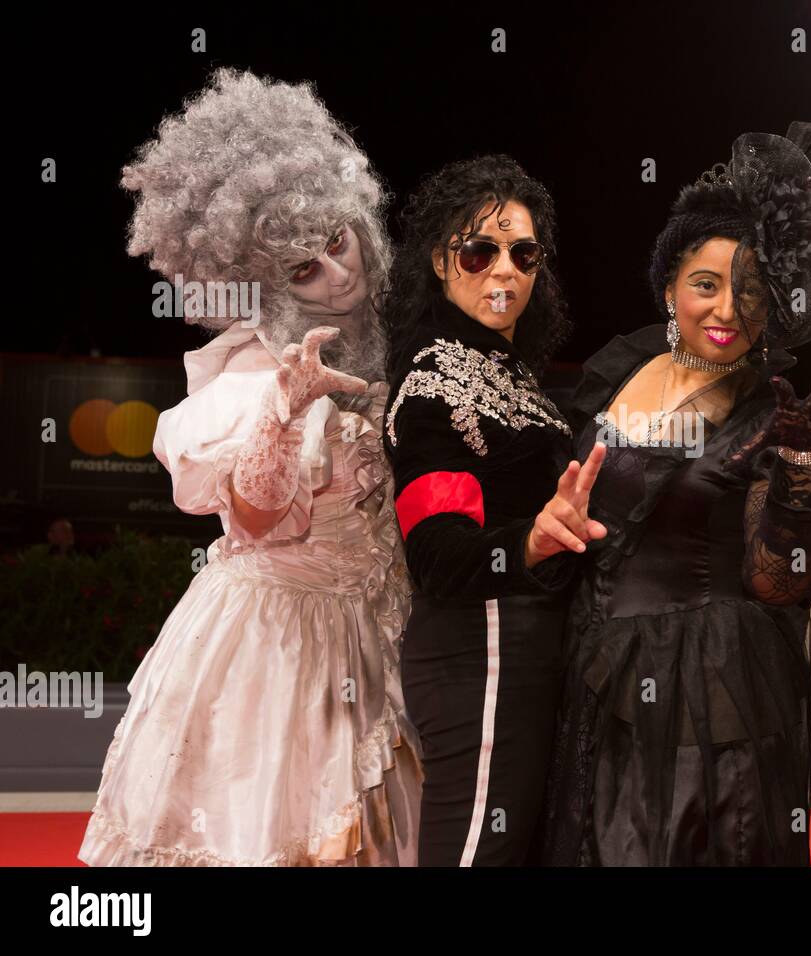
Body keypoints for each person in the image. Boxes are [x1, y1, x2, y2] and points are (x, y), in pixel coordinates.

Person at [79, 69, 420, 866]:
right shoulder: (249, 374)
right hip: (276, 644)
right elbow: (262, 518)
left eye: (336, 242)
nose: (338, 275)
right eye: (303, 270)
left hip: (379, 637)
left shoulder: (394, 339)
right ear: (258, 285)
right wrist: (283, 409)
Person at [541, 123, 811, 866]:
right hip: (598, 662)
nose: (726, 309)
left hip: (712, 676)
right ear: (669, 287)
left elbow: (775, 583)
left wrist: (793, 492)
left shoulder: (768, 412)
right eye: (706, 285)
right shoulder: (615, 370)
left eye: (750, 291)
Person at [382, 155, 601, 866]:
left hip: (524, 660)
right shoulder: (433, 386)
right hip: (479, 659)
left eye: (524, 253)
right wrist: (531, 542)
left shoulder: (526, 383)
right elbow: (438, 557)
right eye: (480, 251)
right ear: (442, 264)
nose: (504, 270)